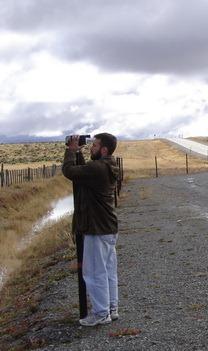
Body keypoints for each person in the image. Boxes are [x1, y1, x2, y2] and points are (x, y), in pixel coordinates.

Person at [62, 133, 120, 327]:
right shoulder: (107, 165)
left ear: (104, 149)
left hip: (96, 228)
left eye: (94, 146)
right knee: (108, 271)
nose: (90, 148)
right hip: (107, 227)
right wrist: (78, 153)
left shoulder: (97, 168)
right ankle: (111, 308)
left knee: (94, 273)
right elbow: (83, 172)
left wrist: (71, 151)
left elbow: (70, 171)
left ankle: (101, 313)